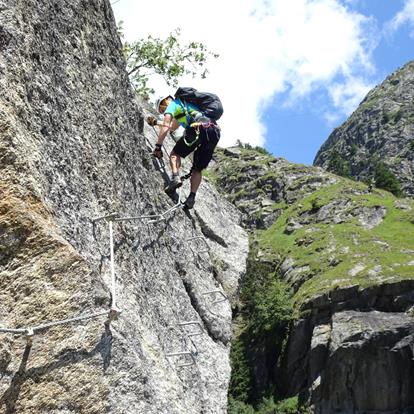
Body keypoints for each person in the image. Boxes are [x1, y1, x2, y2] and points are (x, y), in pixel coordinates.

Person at [150, 93, 221, 209]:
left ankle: (175, 177)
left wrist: (158, 146)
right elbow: (173, 127)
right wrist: (155, 122)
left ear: (166, 100)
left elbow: (167, 125)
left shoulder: (173, 104)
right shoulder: (185, 107)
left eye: (162, 107)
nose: (164, 110)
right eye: (162, 110)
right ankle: (191, 198)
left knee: (175, 154)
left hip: (198, 127)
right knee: (198, 168)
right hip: (214, 131)